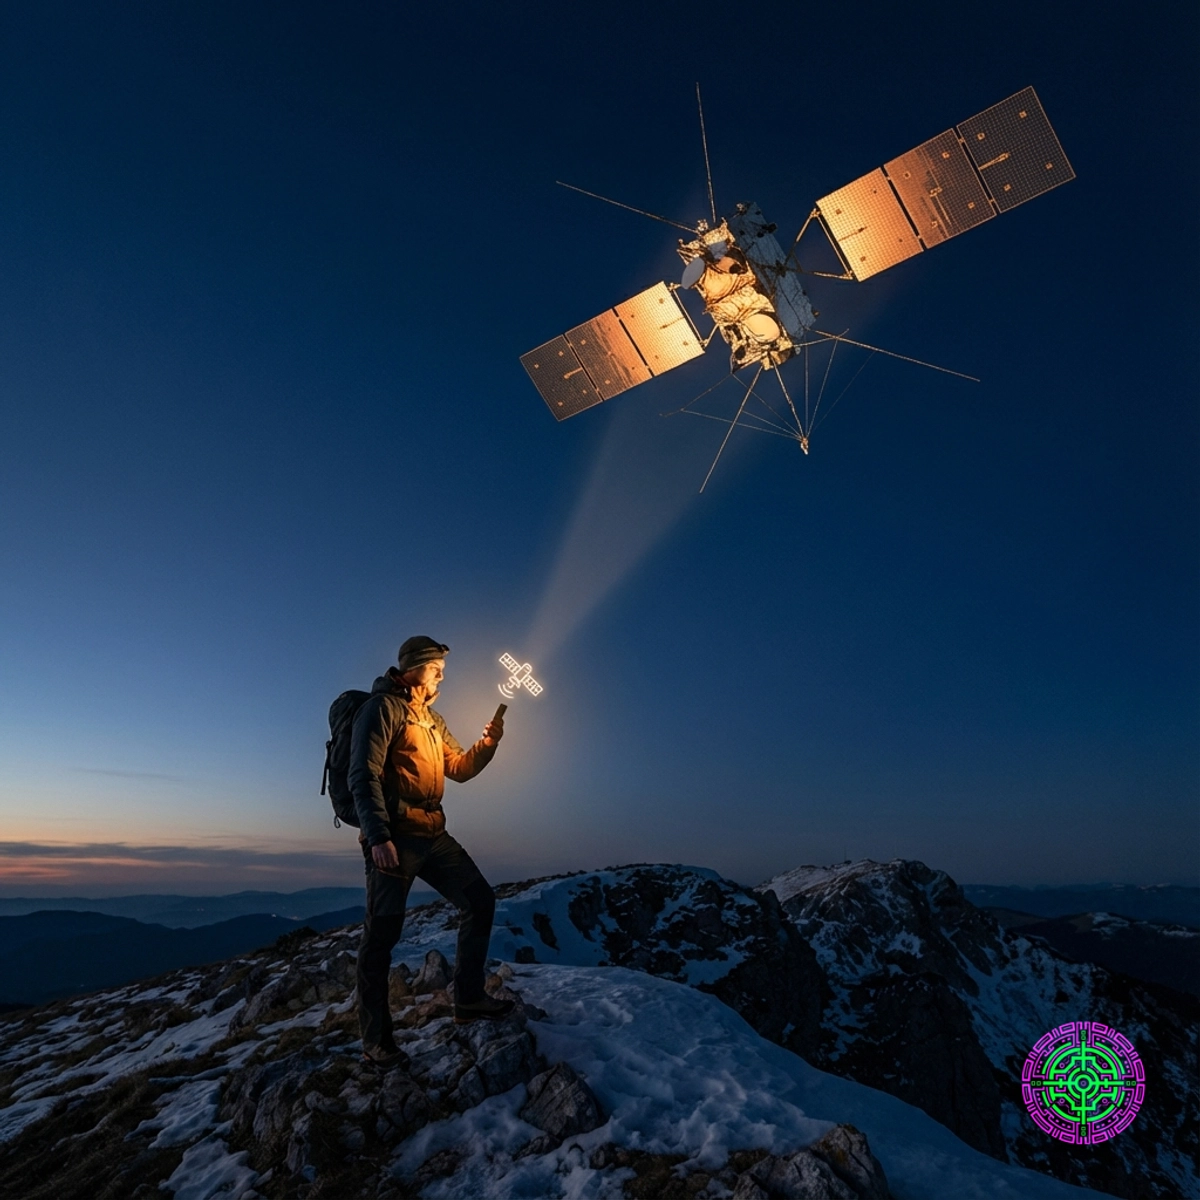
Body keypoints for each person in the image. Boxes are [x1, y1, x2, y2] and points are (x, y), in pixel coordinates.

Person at [348, 635, 512, 1066]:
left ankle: (469, 1000)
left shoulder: (431, 719)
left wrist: (488, 743)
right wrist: (378, 836)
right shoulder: (382, 709)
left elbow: (457, 768)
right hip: (394, 838)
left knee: (479, 900)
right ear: (413, 667)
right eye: (435, 665)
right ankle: (376, 1042)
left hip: (433, 833)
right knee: (380, 938)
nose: (442, 672)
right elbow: (362, 776)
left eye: (442, 666)